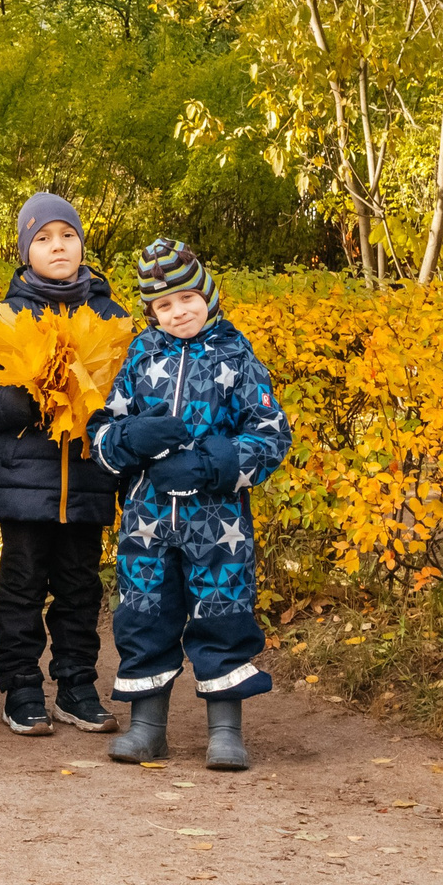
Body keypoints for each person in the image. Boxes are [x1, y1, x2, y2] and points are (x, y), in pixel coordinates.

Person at [89, 239, 293, 771]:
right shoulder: (141, 356)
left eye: (187, 299)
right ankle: (147, 728)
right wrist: (130, 438)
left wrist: (212, 464)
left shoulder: (238, 358)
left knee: (221, 616)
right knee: (142, 616)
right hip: (147, 521)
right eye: (164, 305)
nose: (178, 312)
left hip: (217, 522)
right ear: (151, 312)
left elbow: (271, 436)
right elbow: (103, 433)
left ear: (207, 294)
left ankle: (225, 732)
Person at [0, 192, 133, 737]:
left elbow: (128, 398)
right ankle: (20, 686)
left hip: (88, 480)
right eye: (42, 238)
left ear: (82, 243)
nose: (57, 246)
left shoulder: (110, 316)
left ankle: (76, 684)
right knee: (21, 585)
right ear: (25, 251)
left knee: (80, 586)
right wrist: (31, 396)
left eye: (66, 235)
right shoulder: (5, 316)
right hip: (26, 483)